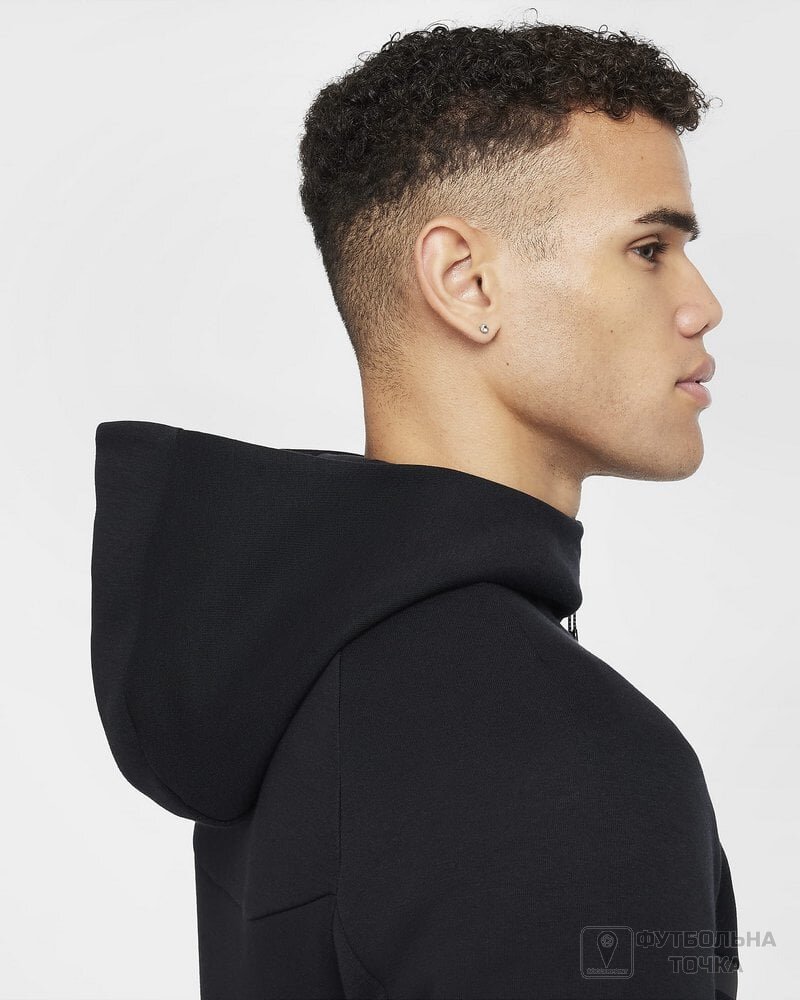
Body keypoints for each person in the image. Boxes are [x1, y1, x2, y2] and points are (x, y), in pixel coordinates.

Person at [90, 18, 740, 1000]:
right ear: (466, 282)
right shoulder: (560, 755)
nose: (702, 304)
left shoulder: (297, 683)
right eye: (648, 248)